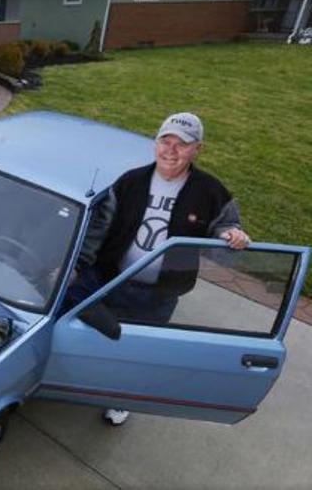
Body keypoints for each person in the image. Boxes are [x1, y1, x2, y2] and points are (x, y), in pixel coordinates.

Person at [66, 112, 251, 425]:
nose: (171, 150)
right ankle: (79, 373)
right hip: (110, 280)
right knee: (74, 321)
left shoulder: (211, 192)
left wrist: (231, 234)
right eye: (166, 141)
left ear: (198, 149)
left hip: (158, 295)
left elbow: (226, 225)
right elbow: (99, 229)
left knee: (137, 353)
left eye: (183, 144)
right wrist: (78, 267)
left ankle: (120, 401)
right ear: (156, 142)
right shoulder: (130, 182)